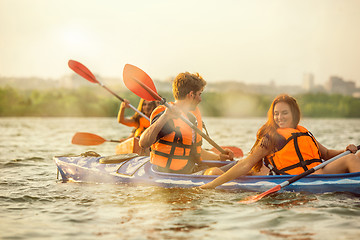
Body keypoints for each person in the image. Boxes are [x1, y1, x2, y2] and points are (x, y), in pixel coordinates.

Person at [200, 94, 360, 189]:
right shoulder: (270, 138)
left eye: (284, 113)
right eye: (276, 114)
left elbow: (325, 154)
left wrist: (345, 150)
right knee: (218, 172)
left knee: (352, 158)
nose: (279, 118)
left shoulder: (302, 132)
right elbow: (246, 164)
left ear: (294, 113)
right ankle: (211, 175)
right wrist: (211, 185)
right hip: (289, 176)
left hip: (318, 173)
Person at [139, 72, 234, 174]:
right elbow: (143, 143)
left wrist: (219, 158)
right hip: (169, 174)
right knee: (216, 172)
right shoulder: (167, 117)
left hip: (189, 171)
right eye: (199, 94)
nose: (200, 99)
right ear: (191, 95)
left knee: (236, 166)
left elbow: (195, 152)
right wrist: (165, 116)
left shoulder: (190, 118)